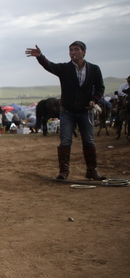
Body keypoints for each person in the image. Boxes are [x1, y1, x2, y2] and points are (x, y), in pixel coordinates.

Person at [25, 41, 106, 180]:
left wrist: (94, 100)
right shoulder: (65, 69)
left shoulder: (94, 69)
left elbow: (100, 88)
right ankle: (64, 172)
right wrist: (40, 56)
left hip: (86, 111)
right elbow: (50, 66)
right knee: (65, 141)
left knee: (89, 141)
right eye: (71, 50)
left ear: (83, 52)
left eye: (76, 49)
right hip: (67, 111)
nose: (73, 52)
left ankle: (92, 171)